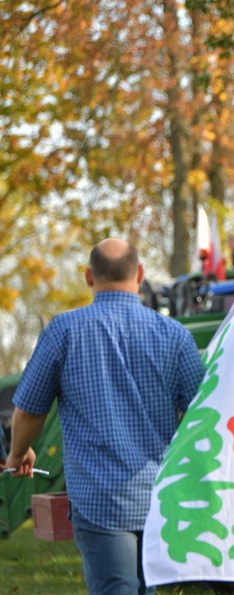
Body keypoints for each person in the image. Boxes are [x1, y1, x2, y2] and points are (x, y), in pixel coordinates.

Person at [2, 238, 205, 595]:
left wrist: (19, 453)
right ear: (140, 274)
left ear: (88, 277)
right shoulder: (175, 335)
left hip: (99, 496)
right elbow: (201, 414)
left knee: (116, 589)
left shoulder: (63, 331)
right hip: (160, 492)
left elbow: (30, 410)